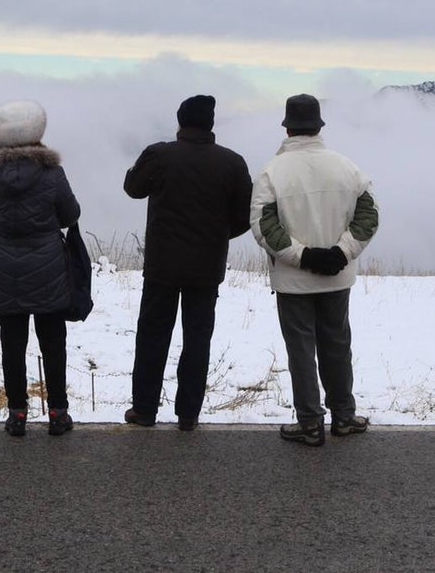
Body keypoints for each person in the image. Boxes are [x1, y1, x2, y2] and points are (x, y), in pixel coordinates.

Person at [250, 94, 379, 447]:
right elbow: (369, 217)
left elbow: (264, 226)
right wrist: (342, 252)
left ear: (288, 127)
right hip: (338, 276)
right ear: (319, 127)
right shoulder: (347, 167)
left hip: (293, 281)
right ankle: (344, 416)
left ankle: (310, 423)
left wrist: (302, 257)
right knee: (338, 345)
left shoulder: (271, 172)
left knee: (301, 351)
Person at [123, 95, 252, 431]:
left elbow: (133, 189)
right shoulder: (232, 163)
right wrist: (218, 236)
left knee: (152, 335)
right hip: (207, 267)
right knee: (197, 338)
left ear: (180, 121)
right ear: (211, 124)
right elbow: (244, 216)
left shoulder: (159, 154)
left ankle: (145, 409)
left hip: (162, 264)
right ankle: (188, 413)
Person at [0, 100, 81, 437]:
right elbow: (70, 214)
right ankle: (58, 413)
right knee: (53, 341)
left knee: (12, 342)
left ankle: (17, 413)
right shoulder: (52, 172)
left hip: (5, 265)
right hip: (48, 266)